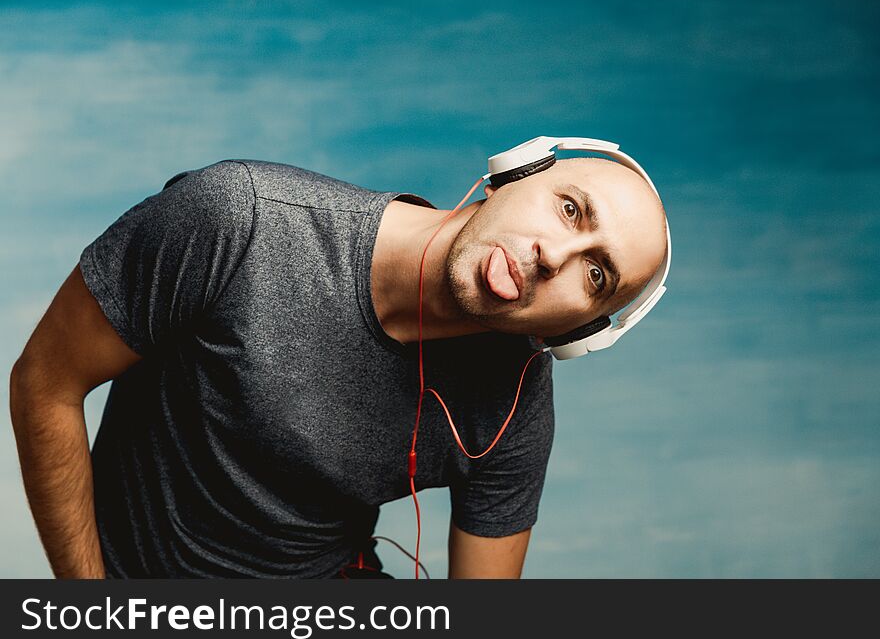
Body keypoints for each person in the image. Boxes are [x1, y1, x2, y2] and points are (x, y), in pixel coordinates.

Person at [9, 155, 667, 579]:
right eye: (571, 209)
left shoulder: (514, 410)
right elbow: (44, 384)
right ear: (514, 174)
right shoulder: (238, 220)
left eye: (596, 273)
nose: (556, 255)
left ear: (576, 330)